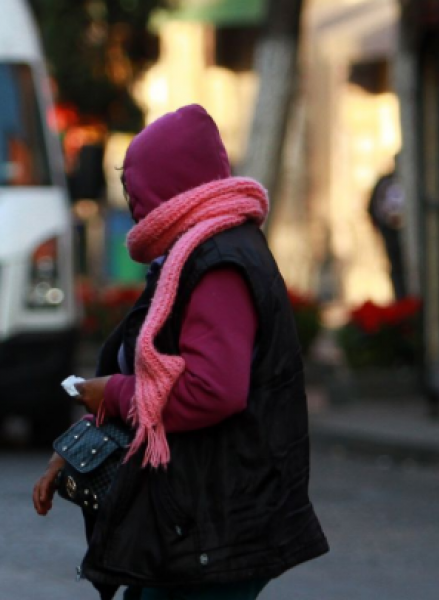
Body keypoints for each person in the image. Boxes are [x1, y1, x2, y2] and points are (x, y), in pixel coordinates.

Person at [33, 105, 329, 600]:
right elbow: (153, 371)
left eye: (136, 189)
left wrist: (114, 393)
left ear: (167, 184)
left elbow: (211, 391)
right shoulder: (191, 252)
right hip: (197, 521)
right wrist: (78, 448)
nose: (132, 204)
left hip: (218, 524)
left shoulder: (217, 262)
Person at [367, 158, 407, 299]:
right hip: (390, 233)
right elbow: (373, 207)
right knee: (396, 267)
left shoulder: (408, 182)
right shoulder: (386, 182)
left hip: (404, 234)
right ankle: (400, 297)